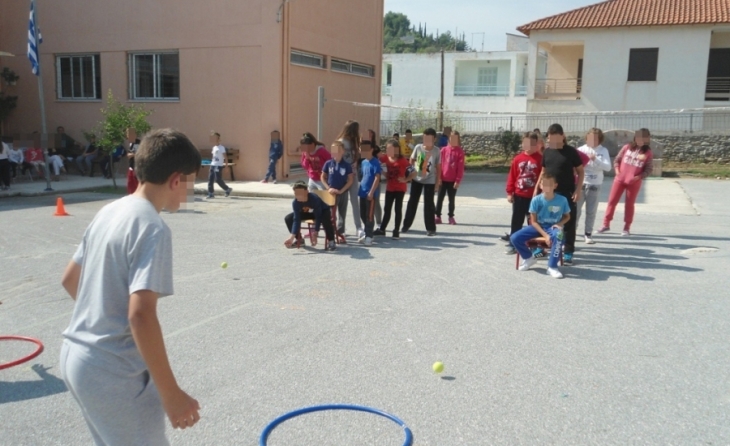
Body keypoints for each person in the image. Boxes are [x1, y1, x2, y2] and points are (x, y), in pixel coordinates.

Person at [60, 129, 202, 445]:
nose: (191, 192)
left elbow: (70, 279)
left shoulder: (110, 211)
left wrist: (102, 317)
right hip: (113, 373)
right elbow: (140, 315)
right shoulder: (153, 227)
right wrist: (171, 394)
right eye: (192, 183)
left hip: (76, 357)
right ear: (176, 180)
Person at [533, 124, 584, 266]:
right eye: (550, 138)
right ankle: (542, 248)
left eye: (556, 138)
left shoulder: (571, 152)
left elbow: (581, 171)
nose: (552, 141)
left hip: (566, 193)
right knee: (544, 221)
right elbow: (543, 172)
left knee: (568, 222)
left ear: (563, 136)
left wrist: (578, 190)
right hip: (548, 194)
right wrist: (537, 188)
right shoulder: (547, 152)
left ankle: (567, 252)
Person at [511, 173, 571, 279]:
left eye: (550, 185)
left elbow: (567, 216)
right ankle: (529, 258)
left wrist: (559, 224)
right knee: (514, 238)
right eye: (544, 184)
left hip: (552, 227)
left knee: (559, 236)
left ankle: (552, 267)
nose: (547, 187)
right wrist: (546, 235)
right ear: (540, 186)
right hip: (538, 226)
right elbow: (533, 221)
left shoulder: (562, 200)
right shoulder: (536, 200)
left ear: (555, 185)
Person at [598, 128, 654, 237]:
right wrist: (618, 172)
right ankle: (606, 224)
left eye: (643, 138)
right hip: (619, 180)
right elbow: (617, 160)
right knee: (612, 201)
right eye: (638, 137)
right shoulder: (627, 147)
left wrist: (639, 177)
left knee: (629, 204)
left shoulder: (648, 153)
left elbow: (649, 169)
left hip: (634, 182)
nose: (640, 140)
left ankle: (627, 227)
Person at [504, 132, 543, 255]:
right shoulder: (517, 159)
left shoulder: (541, 159)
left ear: (536, 144)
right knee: (516, 220)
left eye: (531, 144)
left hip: (534, 197)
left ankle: (534, 245)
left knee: (533, 222)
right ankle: (513, 243)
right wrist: (510, 192)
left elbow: (543, 178)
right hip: (519, 196)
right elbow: (512, 176)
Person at [402, 128, 441, 236]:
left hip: (430, 179)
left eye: (429, 138)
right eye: (425, 138)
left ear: (434, 139)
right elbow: (411, 160)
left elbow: (438, 168)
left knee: (429, 204)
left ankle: (431, 228)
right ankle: (406, 225)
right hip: (417, 179)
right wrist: (410, 174)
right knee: (412, 202)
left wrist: (437, 184)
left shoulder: (437, 151)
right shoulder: (418, 148)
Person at [576, 128, 612, 244]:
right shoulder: (581, 149)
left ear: (599, 139)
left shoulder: (603, 150)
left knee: (591, 211)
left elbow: (608, 167)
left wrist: (595, 159)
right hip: (581, 183)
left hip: (595, 184)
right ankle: (572, 232)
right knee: (576, 210)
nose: (592, 140)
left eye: (595, 138)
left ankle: (588, 234)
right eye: (590, 137)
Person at [374, 139, 414, 240]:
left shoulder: (403, 160)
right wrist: (383, 173)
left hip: (400, 189)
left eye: (392, 149)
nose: (390, 151)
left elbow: (414, 172)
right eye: (388, 149)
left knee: (397, 209)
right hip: (390, 188)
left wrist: (406, 179)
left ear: (397, 149)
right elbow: (376, 163)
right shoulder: (385, 158)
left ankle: (396, 230)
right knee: (387, 209)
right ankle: (382, 229)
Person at [284, 181, 337, 251]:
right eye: (296, 193)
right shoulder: (295, 202)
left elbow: (318, 216)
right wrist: (291, 237)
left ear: (307, 191)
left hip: (322, 212)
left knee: (325, 218)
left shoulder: (314, 199)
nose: (298, 196)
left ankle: (331, 241)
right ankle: (299, 239)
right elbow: (296, 219)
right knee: (289, 218)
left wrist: (316, 232)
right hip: (308, 213)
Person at [321, 141, 354, 238]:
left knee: (342, 214)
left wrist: (341, 191)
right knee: (331, 214)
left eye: (337, 150)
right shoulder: (328, 163)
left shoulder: (346, 165)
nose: (334, 152)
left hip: (342, 192)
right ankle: (331, 232)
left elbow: (350, 180)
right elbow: (322, 177)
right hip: (331, 193)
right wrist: (328, 188)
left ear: (342, 151)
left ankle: (340, 232)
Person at [336, 121, 363, 238]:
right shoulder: (341, 142)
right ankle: (340, 229)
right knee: (342, 202)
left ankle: (359, 228)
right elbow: (336, 159)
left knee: (354, 202)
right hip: (342, 176)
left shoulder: (354, 143)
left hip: (353, 175)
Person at [436, 130, 465, 225]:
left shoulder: (460, 152)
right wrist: (439, 178)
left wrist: (458, 180)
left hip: (452, 181)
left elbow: (460, 168)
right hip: (442, 179)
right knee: (439, 198)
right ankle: (437, 216)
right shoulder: (443, 150)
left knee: (451, 200)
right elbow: (439, 165)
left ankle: (451, 216)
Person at [357, 139, 381, 245]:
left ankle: (369, 236)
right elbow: (362, 176)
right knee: (362, 214)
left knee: (369, 215)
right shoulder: (363, 162)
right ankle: (367, 233)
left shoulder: (375, 162)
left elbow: (377, 178)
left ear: (371, 149)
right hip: (362, 193)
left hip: (371, 194)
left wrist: (371, 192)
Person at [205, 132, 233, 199]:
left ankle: (227, 189)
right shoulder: (214, 148)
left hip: (218, 166)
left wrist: (226, 166)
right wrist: (211, 163)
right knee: (210, 179)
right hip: (213, 165)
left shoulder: (221, 148)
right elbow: (213, 157)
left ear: (218, 139)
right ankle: (211, 193)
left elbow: (225, 157)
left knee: (217, 179)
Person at [368, 129, 383, 227]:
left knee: (376, 200)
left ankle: (378, 223)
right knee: (364, 203)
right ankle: (368, 223)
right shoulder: (359, 148)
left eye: (370, 135)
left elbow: (381, 160)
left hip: (375, 177)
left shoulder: (376, 149)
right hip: (363, 178)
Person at [125, 128, 141, 194]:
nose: (127, 136)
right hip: (131, 166)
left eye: (129, 134)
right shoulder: (131, 143)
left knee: (135, 184)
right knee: (130, 184)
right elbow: (129, 153)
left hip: (136, 167)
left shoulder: (138, 143)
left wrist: (131, 154)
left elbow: (139, 153)